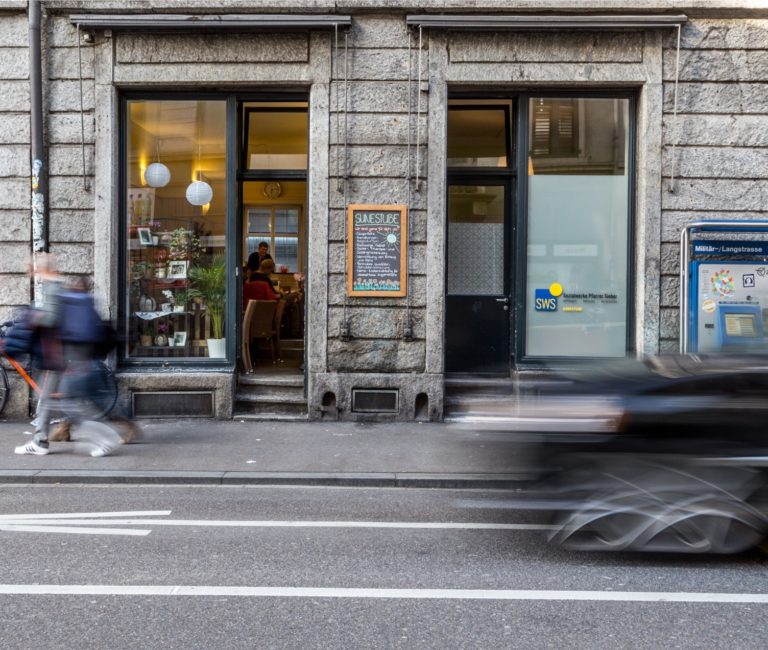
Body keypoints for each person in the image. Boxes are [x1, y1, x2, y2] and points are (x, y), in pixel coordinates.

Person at [14, 272, 124, 457]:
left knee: (71, 404)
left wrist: (32, 317)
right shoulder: (87, 302)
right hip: (74, 358)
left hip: (63, 359)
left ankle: (105, 437)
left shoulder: (68, 301)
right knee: (49, 400)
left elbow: (49, 319)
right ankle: (39, 441)